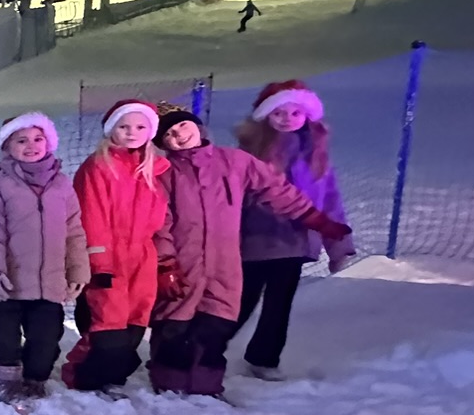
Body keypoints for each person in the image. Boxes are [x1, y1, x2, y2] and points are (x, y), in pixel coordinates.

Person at [151, 106, 350, 396]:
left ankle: (205, 387)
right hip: (183, 265)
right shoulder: (164, 175)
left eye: (182, 127)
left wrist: (316, 219)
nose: (178, 136)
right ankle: (168, 385)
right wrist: (165, 262)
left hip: (224, 264)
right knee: (175, 326)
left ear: (197, 126)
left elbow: (278, 191)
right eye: (168, 134)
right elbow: (159, 223)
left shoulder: (235, 162)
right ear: (162, 144)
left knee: (215, 326)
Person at [231, 81, 357, 380]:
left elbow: (329, 200)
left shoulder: (315, 155)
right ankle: (204, 350)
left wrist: (337, 245)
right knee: (241, 299)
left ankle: (264, 356)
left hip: (296, 242)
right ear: (265, 117)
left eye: (295, 112)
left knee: (280, 302)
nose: (288, 118)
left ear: (307, 116)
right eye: (279, 113)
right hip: (254, 240)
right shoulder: (249, 153)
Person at [0, 112, 87, 403]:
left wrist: (78, 271)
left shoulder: (61, 184)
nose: (31, 145)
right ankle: (3, 384)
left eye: (38, 139)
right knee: (3, 337)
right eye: (21, 140)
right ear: (7, 147)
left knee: (47, 337)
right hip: (8, 282)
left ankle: (35, 381)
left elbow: (74, 231)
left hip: (49, 282)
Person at [63, 101, 170, 393]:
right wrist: (97, 261)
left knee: (135, 321)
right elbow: (91, 215)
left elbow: (163, 218)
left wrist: (163, 259)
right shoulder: (98, 166)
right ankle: (83, 376)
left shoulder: (156, 168)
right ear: (112, 130)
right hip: (108, 255)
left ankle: (114, 377)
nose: (132, 133)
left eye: (140, 127)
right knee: (107, 322)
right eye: (124, 126)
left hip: (142, 257)